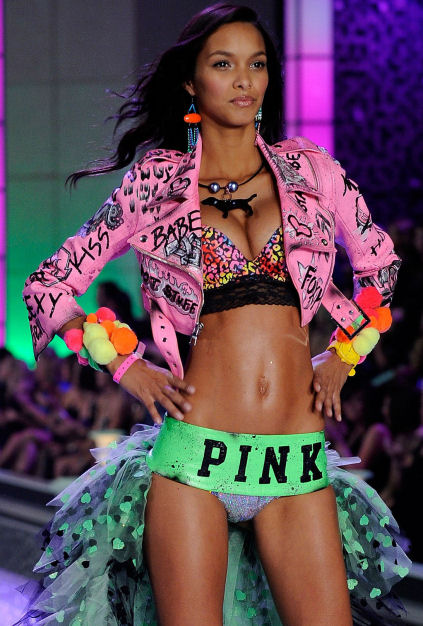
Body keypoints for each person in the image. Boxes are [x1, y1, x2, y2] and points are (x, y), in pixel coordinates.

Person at [17, 4, 410, 625]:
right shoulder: (156, 185)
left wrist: (344, 353)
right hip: (194, 463)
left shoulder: (312, 171)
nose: (244, 80)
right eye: (223, 65)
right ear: (191, 82)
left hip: (295, 461)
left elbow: (380, 267)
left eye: (257, 64)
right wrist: (126, 366)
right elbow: (48, 285)